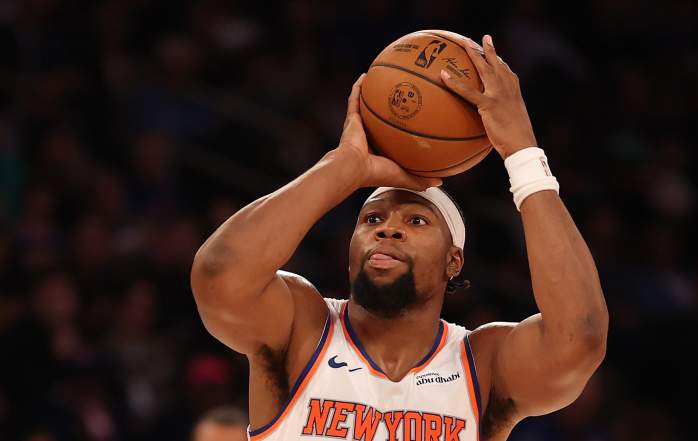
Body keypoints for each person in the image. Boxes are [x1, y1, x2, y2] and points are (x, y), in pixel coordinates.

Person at [191, 34, 608, 441]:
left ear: (454, 260)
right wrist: (342, 168)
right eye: (372, 219)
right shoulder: (301, 328)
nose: (388, 228)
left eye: (417, 222)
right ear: (350, 250)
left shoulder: (483, 367)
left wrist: (522, 153)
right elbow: (219, 276)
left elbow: (580, 338)